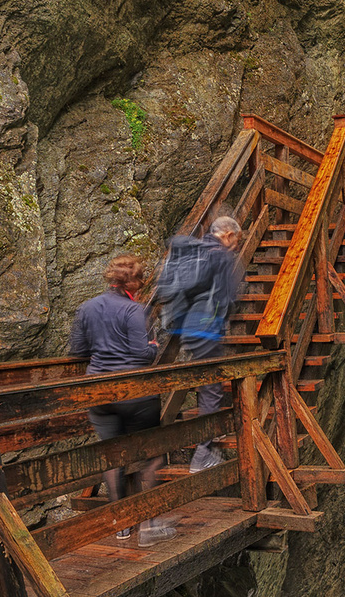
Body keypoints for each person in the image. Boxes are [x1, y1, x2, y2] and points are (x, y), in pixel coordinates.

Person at [70, 254, 174, 545]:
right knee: (152, 454)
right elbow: (143, 354)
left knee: (112, 457)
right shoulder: (134, 311)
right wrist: (154, 345)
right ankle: (151, 525)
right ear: (135, 283)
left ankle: (122, 526)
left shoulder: (86, 307)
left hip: (99, 392)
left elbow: (78, 350)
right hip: (134, 393)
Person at [152, 215, 244, 472]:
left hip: (185, 328)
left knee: (206, 381)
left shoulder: (194, 249)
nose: (236, 246)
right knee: (212, 387)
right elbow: (229, 294)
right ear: (227, 234)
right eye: (236, 240)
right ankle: (204, 453)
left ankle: (210, 435)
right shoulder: (222, 256)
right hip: (207, 327)